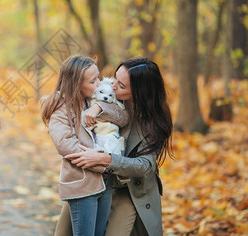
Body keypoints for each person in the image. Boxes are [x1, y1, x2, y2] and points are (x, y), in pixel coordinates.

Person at [55, 57, 174, 236]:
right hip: (93, 180)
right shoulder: (106, 94)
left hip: (129, 189)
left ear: (140, 92)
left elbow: (144, 166)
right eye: (115, 78)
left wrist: (106, 160)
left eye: (122, 85)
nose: (113, 85)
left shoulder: (153, 121)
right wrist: (99, 108)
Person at [41, 55, 129, 236]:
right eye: (92, 81)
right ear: (76, 84)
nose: (99, 84)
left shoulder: (94, 99)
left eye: (98, 77)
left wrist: (99, 109)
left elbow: (123, 117)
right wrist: (102, 162)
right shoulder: (61, 106)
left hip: (104, 181)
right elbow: (65, 144)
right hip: (82, 183)